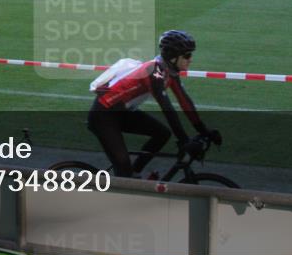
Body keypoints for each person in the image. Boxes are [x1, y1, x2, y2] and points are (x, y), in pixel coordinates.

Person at [88, 29, 222, 177]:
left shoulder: (169, 71)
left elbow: (185, 102)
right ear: (173, 57)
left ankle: (135, 172)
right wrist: (184, 140)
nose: (190, 59)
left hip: (122, 112)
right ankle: (124, 181)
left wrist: (204, 130)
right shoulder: (153, 71)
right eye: (187, 55)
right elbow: (167, 108)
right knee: (123, 170)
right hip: (103, 116)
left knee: (162, 134)